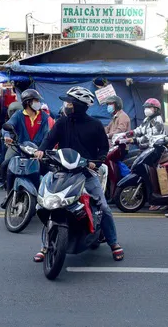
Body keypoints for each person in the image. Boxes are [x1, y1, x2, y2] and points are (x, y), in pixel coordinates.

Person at [33, 86, 124, 262]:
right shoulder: (62, 122)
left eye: (69, 103)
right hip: (61, 171)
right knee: (47, 204)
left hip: (86, 173)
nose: (66, 105)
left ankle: (113, 243)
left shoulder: (95, 125)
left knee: (103, 207)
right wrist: (41, 151)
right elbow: (49, 140)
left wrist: (96, 162)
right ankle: (45, 245)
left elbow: (104, 149)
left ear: (79, 105)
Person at [0, 90, 50, 207]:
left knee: (48, 171)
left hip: (39, 151)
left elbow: (50, 132)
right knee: (6, 165)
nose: (38, 103)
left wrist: (45, 148)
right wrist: (7, 136)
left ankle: (44, 197)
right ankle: (8, 193)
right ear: (28, 102)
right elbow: (7, 127)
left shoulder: (44, 116)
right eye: (36, 101)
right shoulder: (18, 115)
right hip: (20, 148)